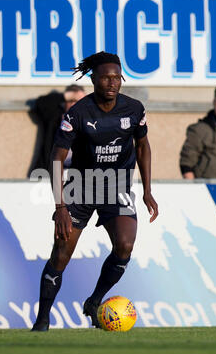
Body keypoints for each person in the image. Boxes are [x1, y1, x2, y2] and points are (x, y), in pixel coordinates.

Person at [31, 51, 158, 332]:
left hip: (117, 186)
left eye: (117, 77)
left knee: (125, 245)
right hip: (81, 185)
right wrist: (60, 207)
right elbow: (56, 157)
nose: (112, 83)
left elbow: (142, 146)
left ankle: (95, 301)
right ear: (94, 79)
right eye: (106, 78)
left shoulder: (134, 109)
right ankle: (42, 320)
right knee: (61, 253)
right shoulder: (77, 113)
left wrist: (148, 190)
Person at [26, 84, 85, 176]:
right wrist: (66, 95)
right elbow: (40, 104)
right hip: (52, 172)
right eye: (70, 100)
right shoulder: (55, 117)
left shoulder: (89, 120)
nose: (73, 104)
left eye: (77, 101)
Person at [180, 83, 216, 179]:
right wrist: (195, 189)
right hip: (208, 190)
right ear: (214, 102)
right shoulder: (199, 130)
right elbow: (186, 163)